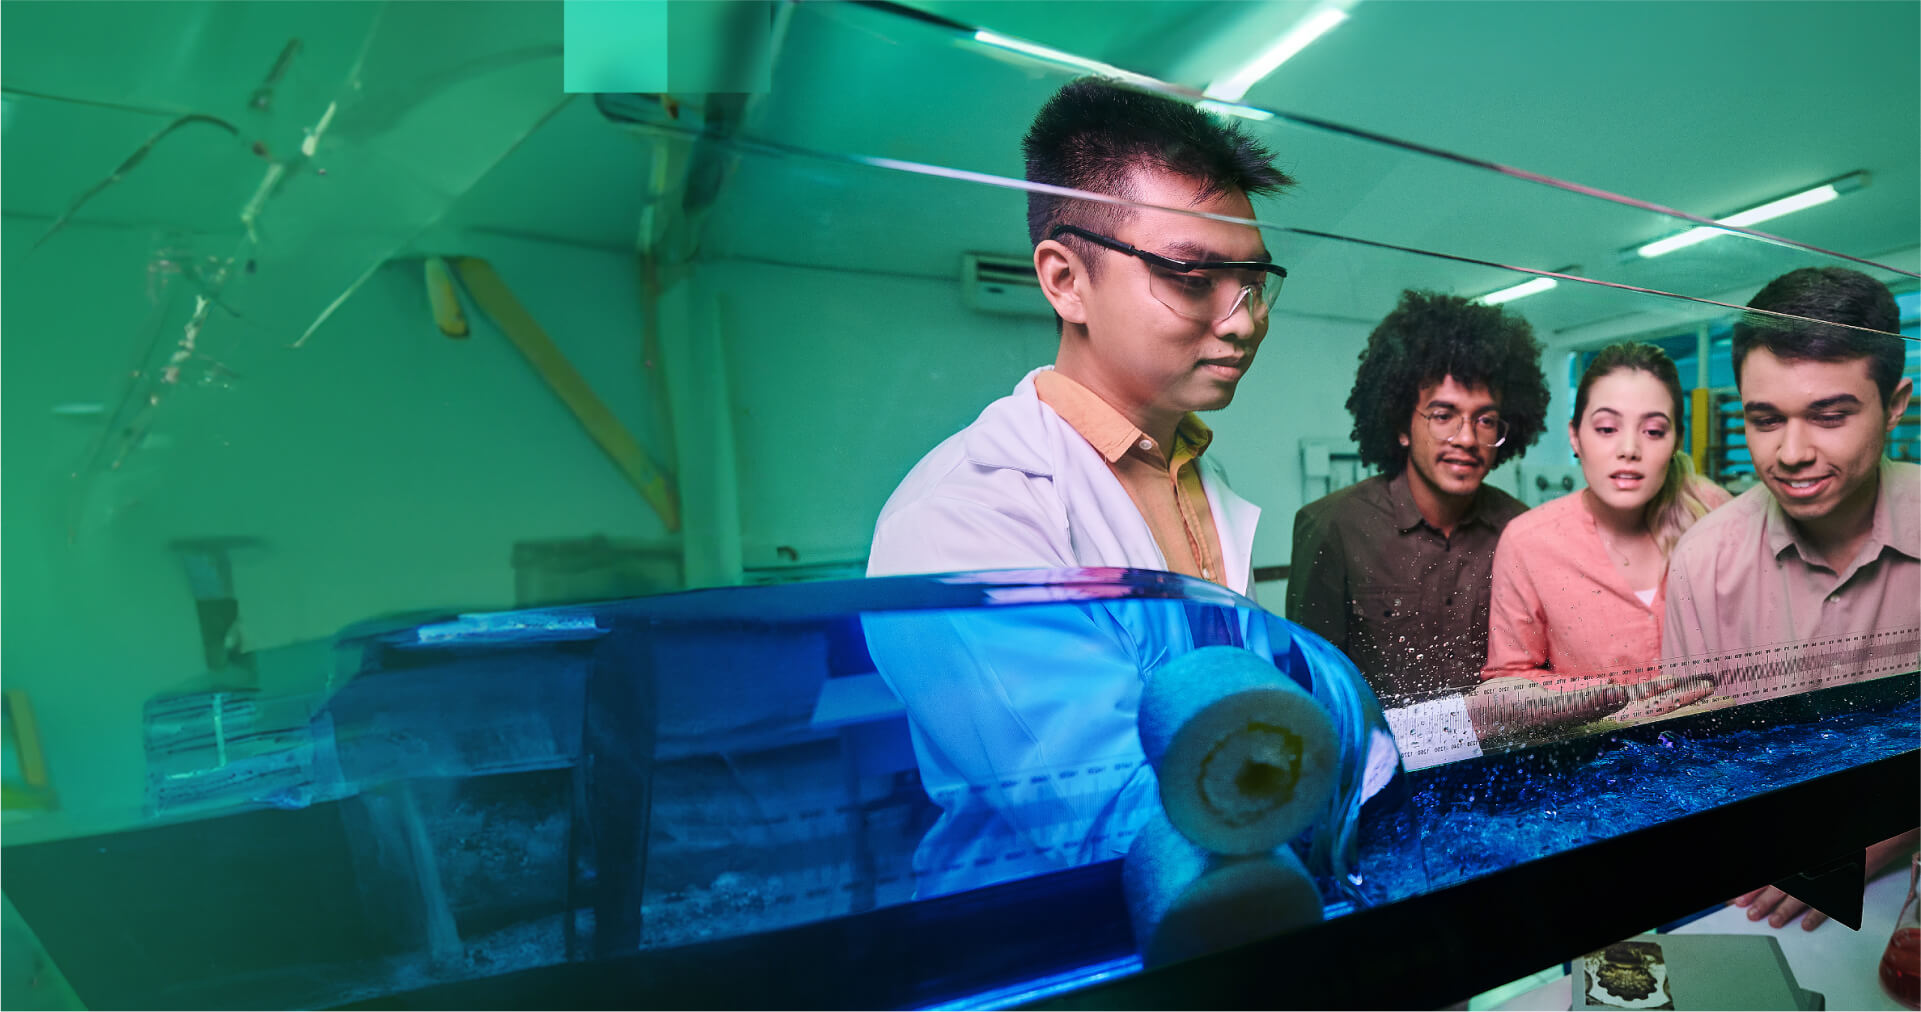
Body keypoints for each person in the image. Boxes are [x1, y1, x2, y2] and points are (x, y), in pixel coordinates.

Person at [865, 78, 1295, 896]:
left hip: (1221, 904)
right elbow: (1112, 810)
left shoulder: (1197, 473)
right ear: (1065, 280)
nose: (1243, 319)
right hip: (1048, 933)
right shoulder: (963, 515)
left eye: (1253, 279)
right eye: (1191, 275)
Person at [1661, 266, 1918, 930]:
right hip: (1753, 882)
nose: (1792, 452)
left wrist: (1877, 841)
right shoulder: (1704, 561)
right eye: (1765, 420)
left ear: (1895, 404)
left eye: (1829, 416)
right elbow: (1692, 757)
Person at [1288, 290, 1550, 704]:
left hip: (1499, 744)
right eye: (1443, 415)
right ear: (1401, 426)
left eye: (1485, 420)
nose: (1467, 438)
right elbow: (1313, 687)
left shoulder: (1521, 531)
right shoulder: (1334, 527)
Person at [1483, 342, 1730, 699]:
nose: (1629, 449)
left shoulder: (1716, 516)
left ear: (1677, 440)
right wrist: (1612, 699)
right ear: (1575, 437)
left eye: (1653, 431)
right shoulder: (1528, 542)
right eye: (1607, 428)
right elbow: (1508, 681)